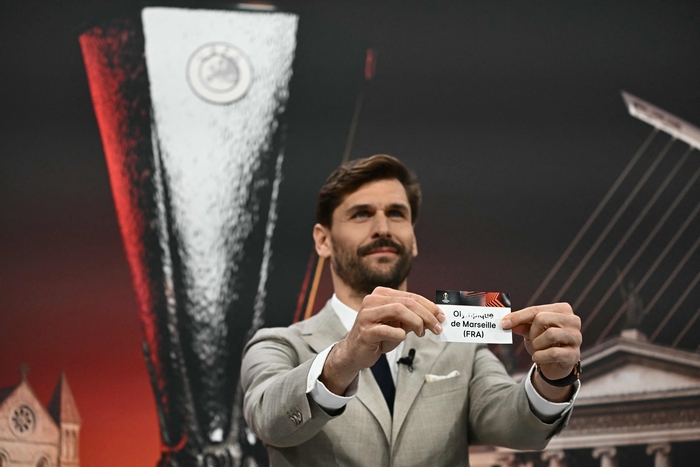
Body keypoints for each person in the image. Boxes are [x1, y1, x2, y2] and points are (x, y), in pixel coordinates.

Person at [241, 154, 582, 466]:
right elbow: (268, 420)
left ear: (414, 239)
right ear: (323, 240)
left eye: (396, 213)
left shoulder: (461, 347)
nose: (383, 228)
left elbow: (518, 426)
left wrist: (554, 378)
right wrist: (345, 357)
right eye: (361, 214)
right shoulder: (278, 344)